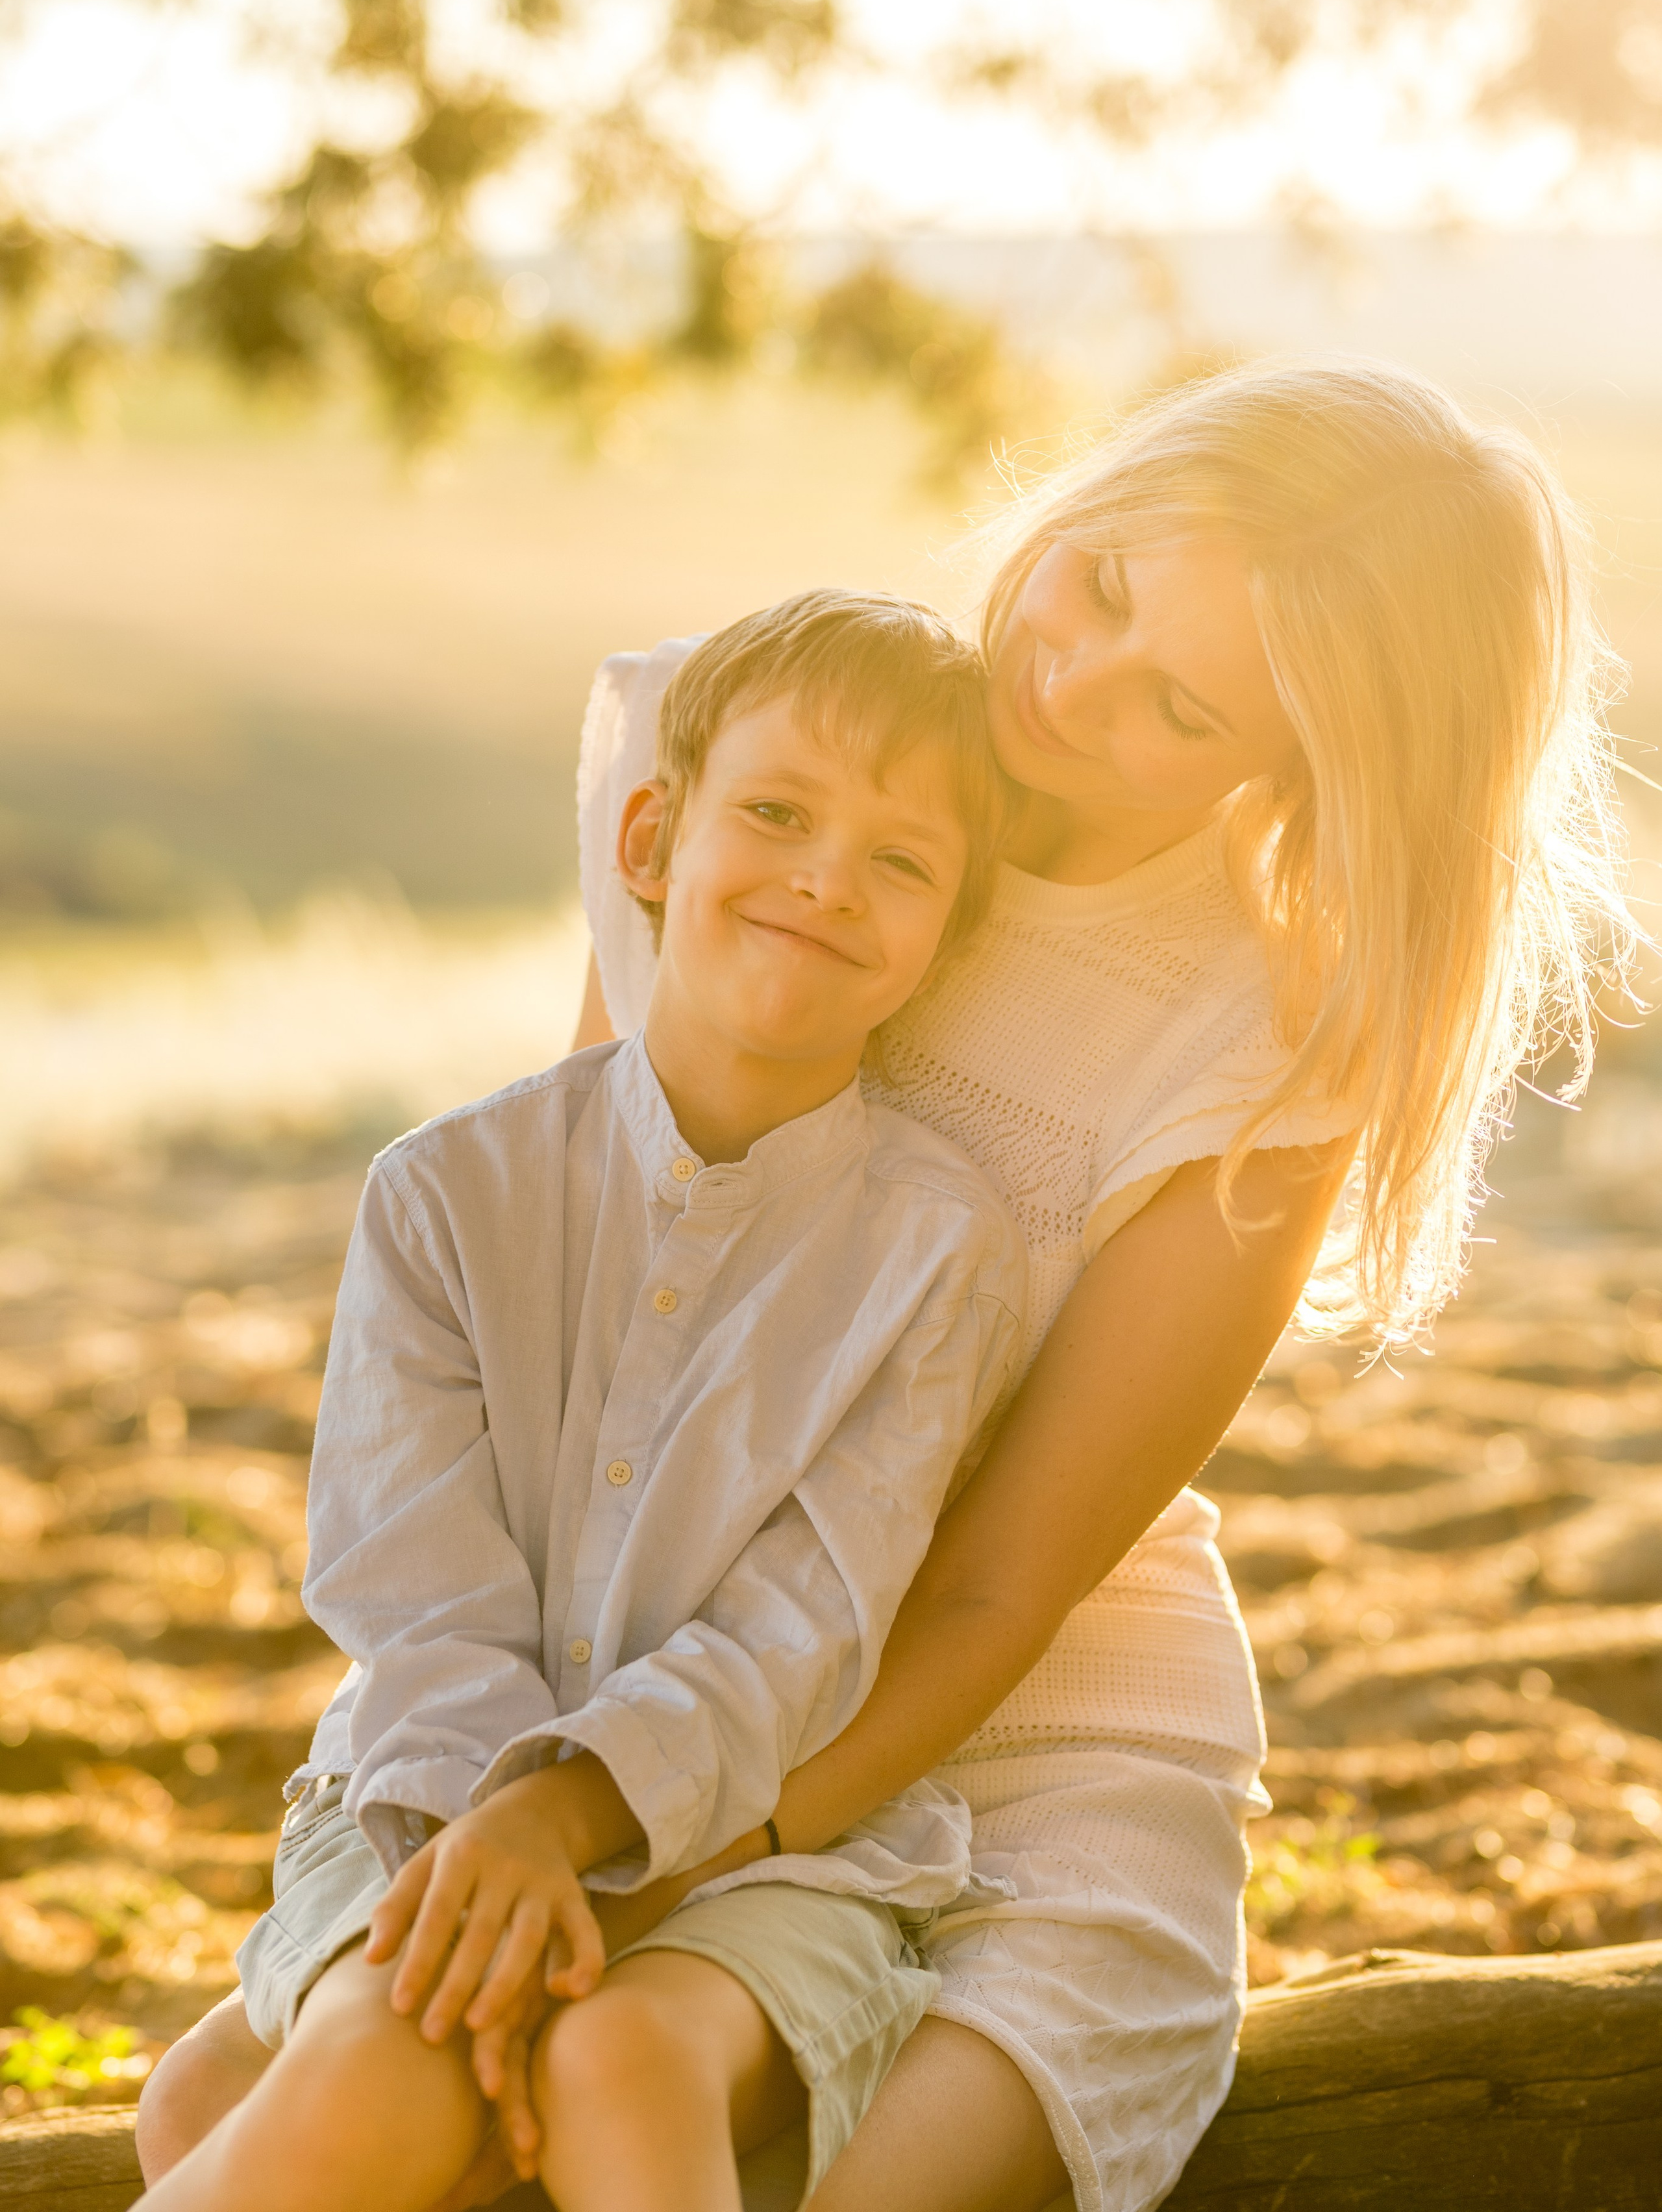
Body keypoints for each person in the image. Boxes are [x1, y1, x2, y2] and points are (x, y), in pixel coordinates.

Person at [143, 356, 1632, 2212]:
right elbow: (613, 1307)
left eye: (1177, 703)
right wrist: (539, 1793)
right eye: (1099, 583)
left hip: (1009, 1740)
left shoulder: (1265, 1037)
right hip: (660, 1663)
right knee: (232, 2110)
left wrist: (634, 1856)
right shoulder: (783, 770)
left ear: (1301, 763)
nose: (1068, 682)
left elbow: (1003, 1578)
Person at [133, 593, 1030, 2212]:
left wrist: (582, 1822)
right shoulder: (443, 1195)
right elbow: (411, 1593)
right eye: (776, 814)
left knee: (610, 2060)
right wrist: (506, 1848)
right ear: (648, 839)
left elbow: (806, 1623)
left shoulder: (937, 1249)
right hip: (421, 1792)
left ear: (946, 943)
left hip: (767, 1846)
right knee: (386, 2066)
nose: (829, 877)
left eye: (902, 863)